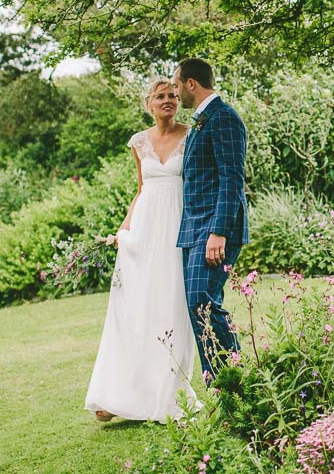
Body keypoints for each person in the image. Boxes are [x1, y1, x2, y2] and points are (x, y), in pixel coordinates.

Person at [85, 77, 199, 423]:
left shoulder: (190, 136)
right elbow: (140, 191)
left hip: (177, 229)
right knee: (135, 307)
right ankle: (120, 394)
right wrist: (124, 230)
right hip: (146, 231)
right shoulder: (139, 143)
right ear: (149, 104)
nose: (168, 101)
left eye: (173, 96)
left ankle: (168, 393)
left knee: (172, 305)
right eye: (161, 96)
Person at [173, 57, 249, 383]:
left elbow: (231, 179)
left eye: (177, 85)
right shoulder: (201, 121)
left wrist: (218, 231)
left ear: (191, 83)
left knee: (204, 300)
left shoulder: (224, 118)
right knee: (197, 305)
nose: (175, 93)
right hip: (194, 228)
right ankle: (218, 385)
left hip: (215, 228)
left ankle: (235, 376)